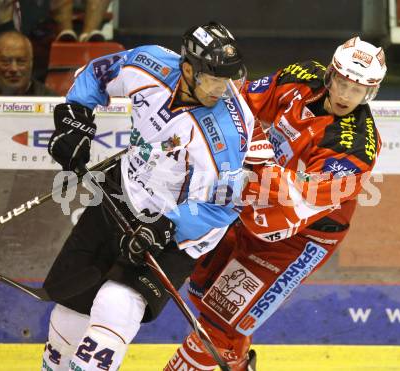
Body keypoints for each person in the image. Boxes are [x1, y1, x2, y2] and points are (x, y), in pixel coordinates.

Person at [163, 36, 387, 370]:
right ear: (329, 74)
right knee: (200, 289)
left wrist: (255, 168)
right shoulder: (301, 75)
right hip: (250, 201)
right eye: (341, 83)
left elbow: (293, 205)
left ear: (370, 93)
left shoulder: (355, 149)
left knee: (221, 323)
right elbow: (240, 105)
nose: (344, 96)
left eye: (357, 90)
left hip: (300, 236)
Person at [41, 22, 253, 370]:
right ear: (188, 70)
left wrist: (165, 229)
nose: (223, 88)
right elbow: (96, 74)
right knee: (69, 312)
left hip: (179, 229)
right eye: (214, 78)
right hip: (120, 194)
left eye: (228, 78)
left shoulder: (229, 129)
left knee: (116, 303)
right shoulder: (148, 64)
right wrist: (75, 120)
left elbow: (223, 204)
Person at [0, 30, 57, 95]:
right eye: (6, 61)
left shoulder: (49, 100)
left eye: (21, 62)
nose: (14, 69)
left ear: (31, 63)